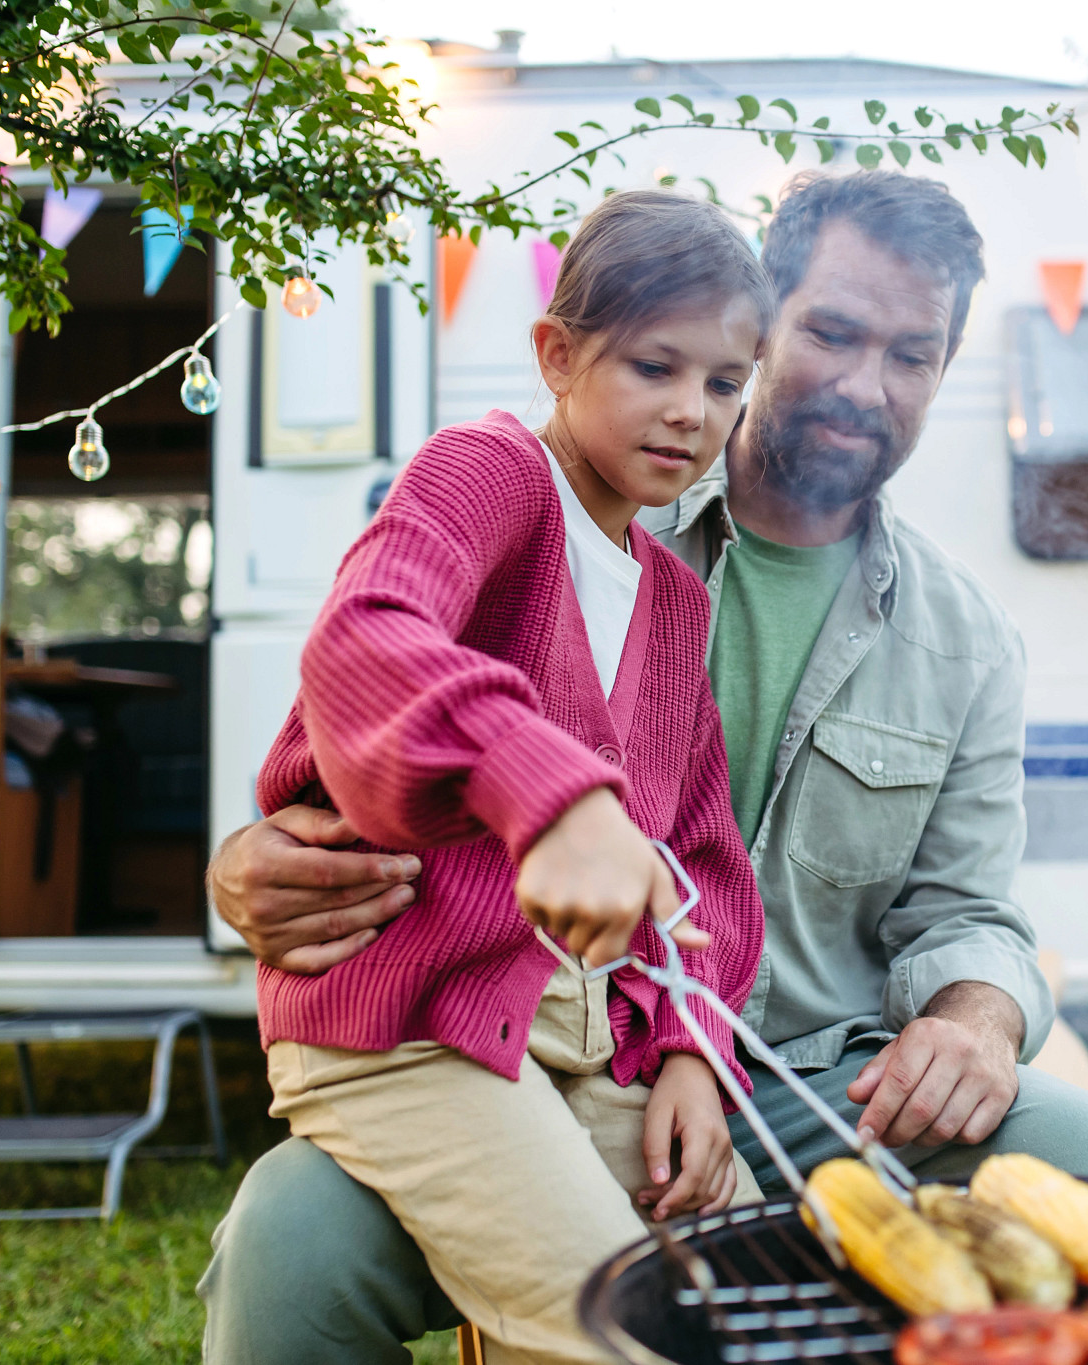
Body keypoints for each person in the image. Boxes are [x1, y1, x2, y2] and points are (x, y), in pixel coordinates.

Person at [199, 171, 1088, 1365]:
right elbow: (367, 673)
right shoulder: (572, 495)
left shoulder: (954, 639)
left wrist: (974, 1019)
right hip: (469, 1035)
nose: (866, 385)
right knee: (288, 1244)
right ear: (768, 323)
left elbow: (955, 909)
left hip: (797, 1088)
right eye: (832, 333)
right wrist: (243, 861)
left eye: (911, 355)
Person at [244, 189, 775, 1365]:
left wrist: (694, 1045)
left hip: (590, 1034)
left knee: (741, 1313)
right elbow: (368, 638)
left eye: (726, 383)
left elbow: (700, 859)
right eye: (653, 365)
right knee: (622, 1329)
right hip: (409, 1025)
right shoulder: (485, 473)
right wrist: (557, 794)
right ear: (557, 353)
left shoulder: (676, 602)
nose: (692, 412)